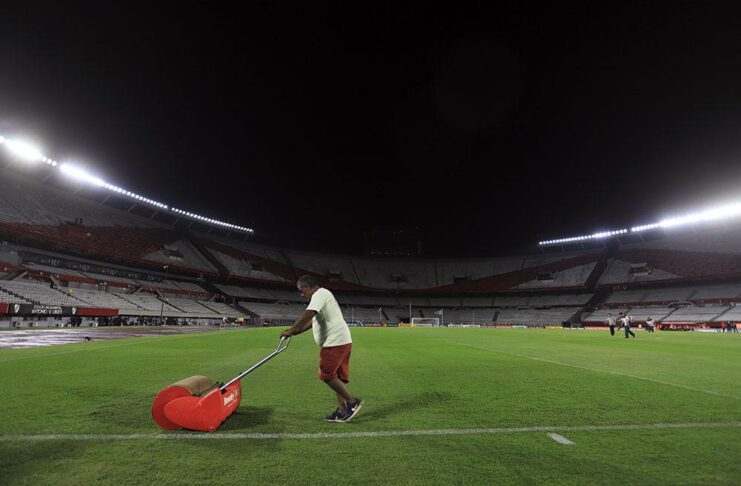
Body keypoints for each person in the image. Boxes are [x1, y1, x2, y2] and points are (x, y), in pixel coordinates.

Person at [281, 275, 363, 423]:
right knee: (338, 377)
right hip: (341, 341)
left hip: (335, 342)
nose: (301, 294)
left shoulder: (320, 294)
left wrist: (293, 328)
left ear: (307, 286)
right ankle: (342, 410)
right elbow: (313, 321)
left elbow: (309, 313)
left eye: (301, 290)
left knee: (326, 374)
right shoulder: (322, 295)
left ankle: (352, 402)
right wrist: (295, 331)